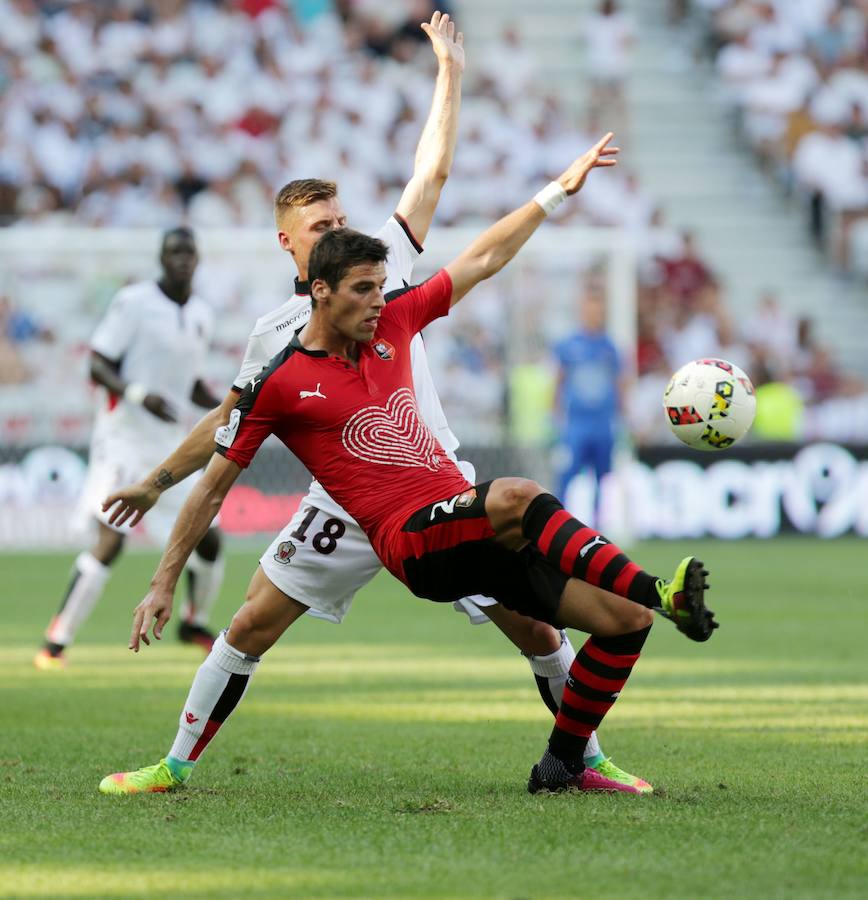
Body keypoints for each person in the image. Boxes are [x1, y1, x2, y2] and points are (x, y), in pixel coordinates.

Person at [99, 12, 648, 793]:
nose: (337, 231)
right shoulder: (275, 340)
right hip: (344, 500)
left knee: (533, 624)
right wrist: (155, 483)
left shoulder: (380, 283)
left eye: (339, 220)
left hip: (433, 488)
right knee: (253, 621)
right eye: (319, 226)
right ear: (290, 246)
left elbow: (431, 178)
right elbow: (226, 425)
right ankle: (174, 765)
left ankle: (582, 759)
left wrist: (450, 77)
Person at [34, 228, 225, 669]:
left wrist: (225, 407)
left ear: (197, 260)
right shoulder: (134, 303)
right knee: (111, 539)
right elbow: (97, 363)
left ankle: (193, 621)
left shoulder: (200, 313)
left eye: (188, 252)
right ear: (162, 258)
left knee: (209, 538)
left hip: (168, 443)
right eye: (173, 252)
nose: (181, 259)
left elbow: (188, 383)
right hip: (122, 438)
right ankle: (56, 641)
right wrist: (139, 395)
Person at [553, 289, 625, 519]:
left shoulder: (609, 347)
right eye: (589, 310)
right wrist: (555, 414)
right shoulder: (568, 345)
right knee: (567, 473)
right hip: (577, 422)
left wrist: (623, 416)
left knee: (602, 477)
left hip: (603, 422)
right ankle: (557, 519)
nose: (593, 315)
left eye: (597, 311)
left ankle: (597, 523)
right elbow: (559, 380)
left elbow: (620, 382)